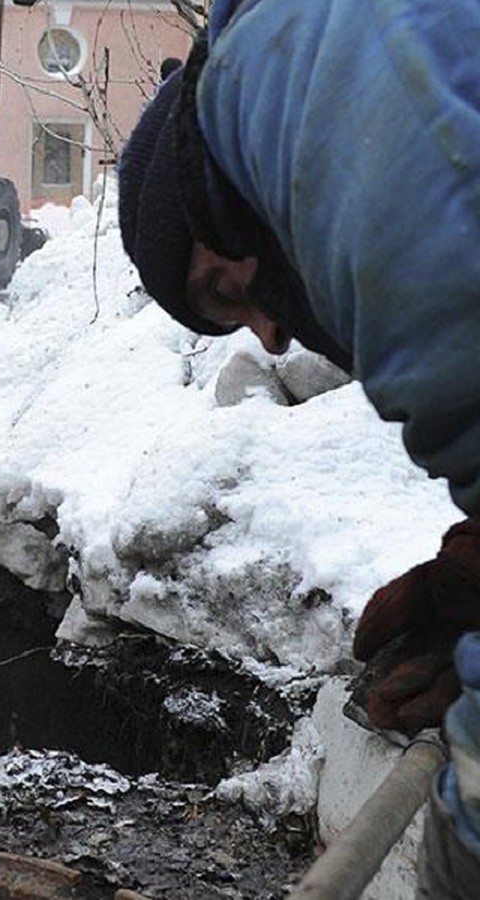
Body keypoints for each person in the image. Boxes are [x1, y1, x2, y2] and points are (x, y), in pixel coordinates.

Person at [116, 0, 480, 892]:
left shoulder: (350, 146)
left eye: (222, 285)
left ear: (211, 194)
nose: (273, 336)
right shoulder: (319, 45)